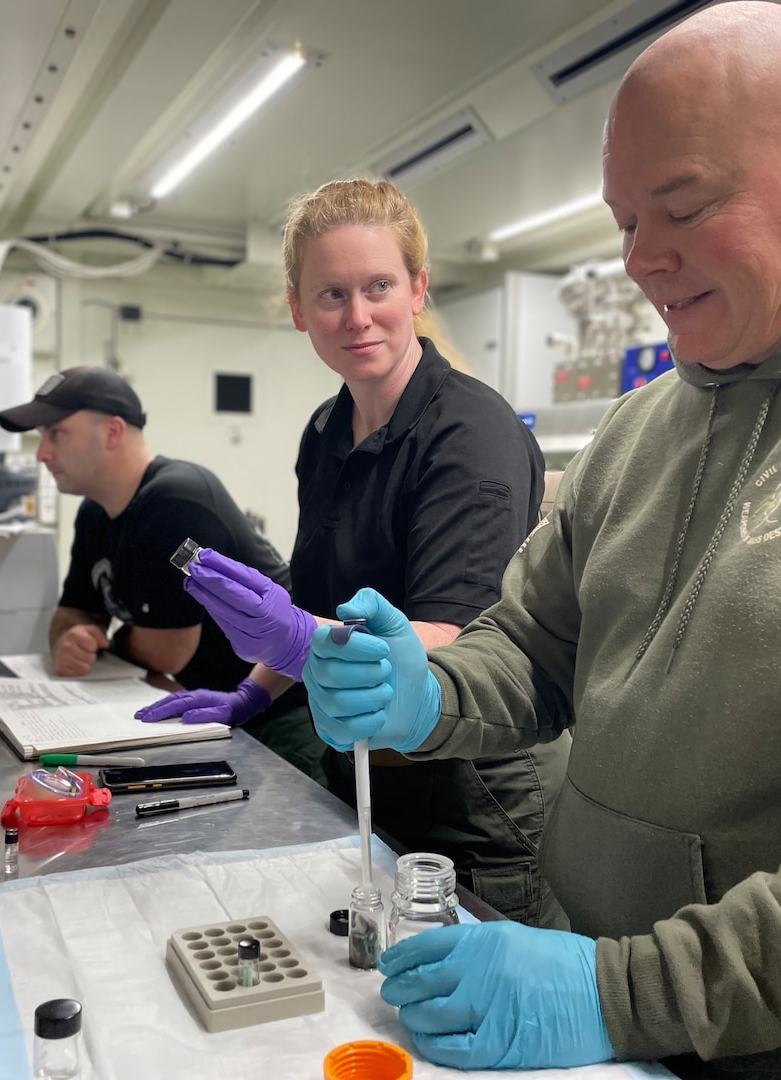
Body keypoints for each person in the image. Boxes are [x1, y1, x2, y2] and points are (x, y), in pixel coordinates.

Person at [302, 4, 781, 1077]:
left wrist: (625, 992)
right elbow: (535, 649)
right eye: (625, 222)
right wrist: (431, 690)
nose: (642, 260)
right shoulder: (642, 425)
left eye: (684, 207)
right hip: (625, 1039)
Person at [138, 178, 572, 928]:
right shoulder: (325, 432)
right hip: (369, 767)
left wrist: (305, 644)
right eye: (332, 295)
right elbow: (315, 602)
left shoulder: (470, 433)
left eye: (380, 287)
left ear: (417, 290)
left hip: (473, 789)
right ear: (298, 310)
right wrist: (256, 692)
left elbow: (451, 640)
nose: (359, 316)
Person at [0, 366, 293, 703]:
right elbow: (73, 611)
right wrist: (71, 638)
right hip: (211, 702)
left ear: (112, 432)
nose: (41, 454)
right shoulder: (95, 512)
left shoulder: (174, 501)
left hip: (277, 710)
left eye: (57, 434)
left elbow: (166, 651)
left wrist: (101, 644)